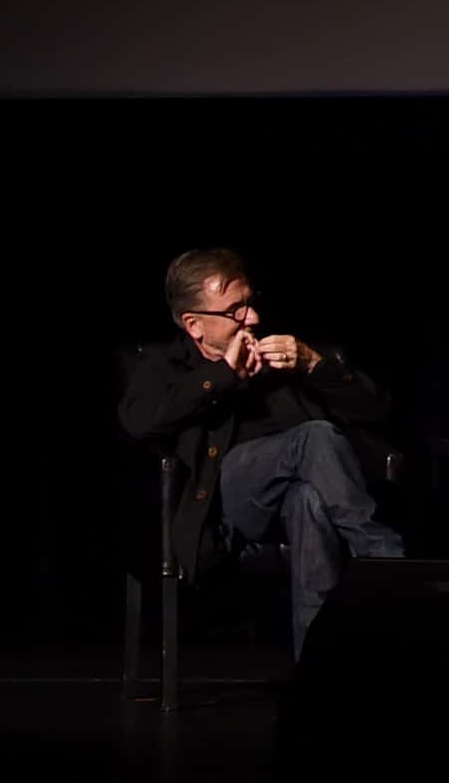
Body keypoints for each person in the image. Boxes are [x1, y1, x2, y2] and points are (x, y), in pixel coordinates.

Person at [116, 247, 404, 660]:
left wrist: (312, 364)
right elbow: (138, 421)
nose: (251, 319)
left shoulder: (282, 355)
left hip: (289, 506)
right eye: (235, 310)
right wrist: (221, 377)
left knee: (309, 502)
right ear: (194, 325)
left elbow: (378, 411)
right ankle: (385, 562)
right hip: (223, 513)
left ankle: (317, 670)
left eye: (250, 304)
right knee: (314, 437)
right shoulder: (166, 366)